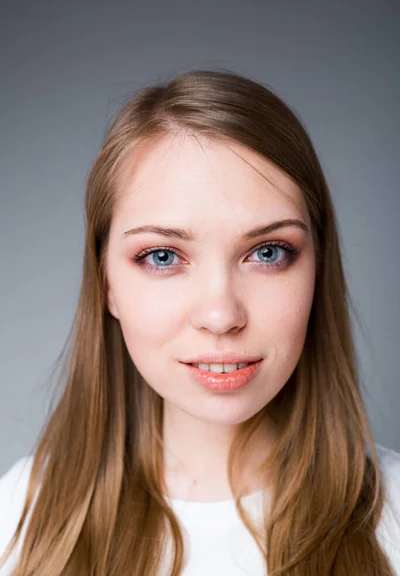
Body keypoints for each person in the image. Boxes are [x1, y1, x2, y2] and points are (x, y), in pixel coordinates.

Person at [0, 70, 399, 576]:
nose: (221, 315)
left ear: (318, 269)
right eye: (163, 256)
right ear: (106, 284)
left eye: (268, 252)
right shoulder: (18, 518)